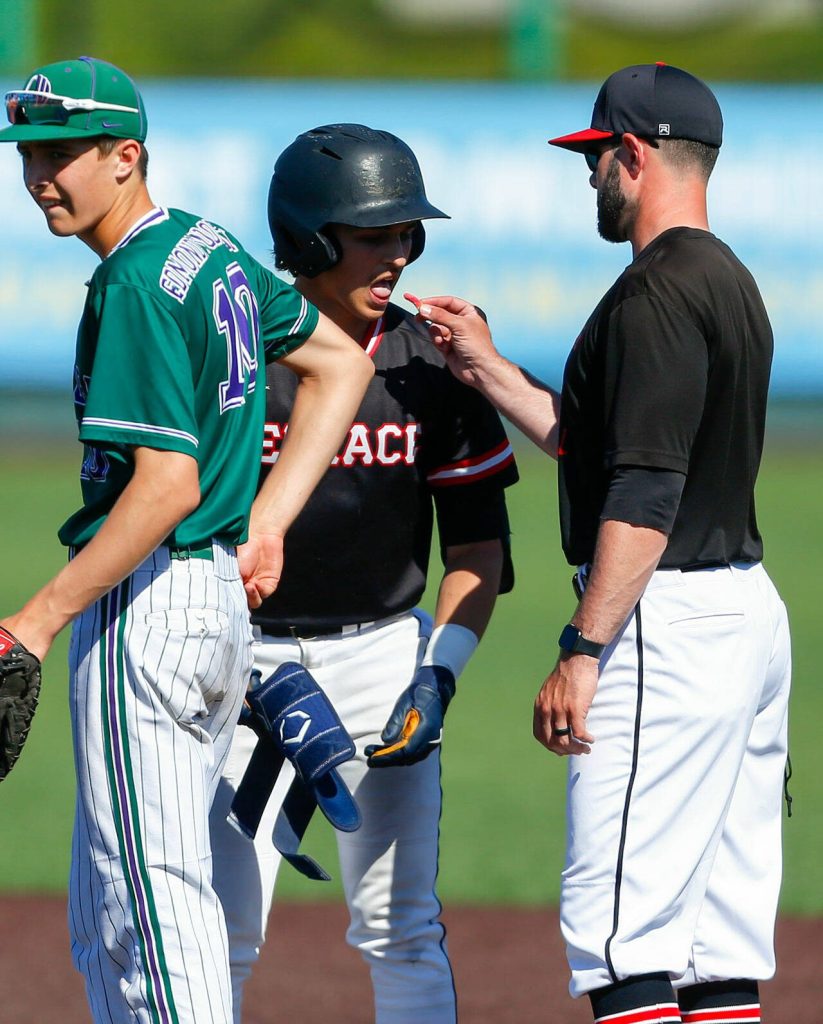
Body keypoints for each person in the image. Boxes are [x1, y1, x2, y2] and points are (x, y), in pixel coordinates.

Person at [412, 64, 791, 1024]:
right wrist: (487, 368)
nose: (589, 180)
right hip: (738, 620)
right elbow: (598, 445)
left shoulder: (653, 298)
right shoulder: (727, 281)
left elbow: (643, 491)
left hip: (661, 623)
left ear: (632, 155)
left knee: (618, 933)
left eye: (595, 160)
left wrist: (581, 651)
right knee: (710, 942)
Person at [0, 57, 373, 1023]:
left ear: (126, 156)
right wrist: (266, 521)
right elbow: (336, 362)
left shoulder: (131, 283)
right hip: (207, 604)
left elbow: (163, 489)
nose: (41, 173)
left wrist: (35, 622)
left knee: (155, 913)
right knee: (111, 911)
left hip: (150, 608)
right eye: (28, 152)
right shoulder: (204, 247)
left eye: (63, 152)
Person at [209, 123, 519, 1023]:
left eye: (406, 234)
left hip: (385, 658)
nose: (398, 253)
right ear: (308, 239)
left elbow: (477, 551)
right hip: (243, 666)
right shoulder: (237, 352)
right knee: (220, 925)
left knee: (400, 924)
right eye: (374, 233)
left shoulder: (430, 360)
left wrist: (439, 673)